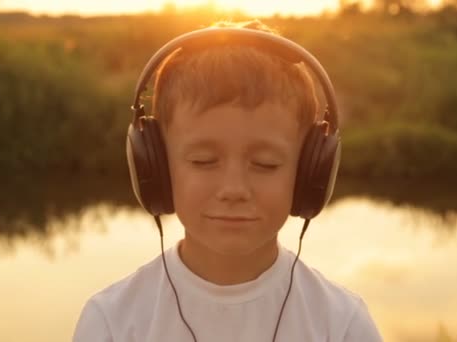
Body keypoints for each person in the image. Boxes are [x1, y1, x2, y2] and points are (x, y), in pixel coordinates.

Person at [73, 19, 382, 342]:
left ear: (309, 172)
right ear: (157, 167)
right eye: (203, 161)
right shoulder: (113, 322)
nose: (233, 189)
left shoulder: (342, 325)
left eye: (265, 164)